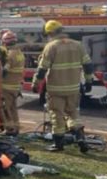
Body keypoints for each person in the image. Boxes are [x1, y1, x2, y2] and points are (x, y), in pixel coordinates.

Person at [32, 20, 93, 153]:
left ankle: (58, 144)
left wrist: (36, 84)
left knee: (57, 114)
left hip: (56, 88)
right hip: (73, 87)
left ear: (50, 33)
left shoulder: (51, 46)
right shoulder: (78, 45)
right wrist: (89, 82)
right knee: (73, 113)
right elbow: (88, 65)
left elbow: (42, 68)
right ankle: (80, 137)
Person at [0, 30, 25, 136]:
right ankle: (16, 128)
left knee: (4, 108)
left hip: (6, 86)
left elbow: (5, 70)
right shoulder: (19, 53)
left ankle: (9, 129)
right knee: (13, 108)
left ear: (5, 42)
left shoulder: (9, 54)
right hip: (15, 86)